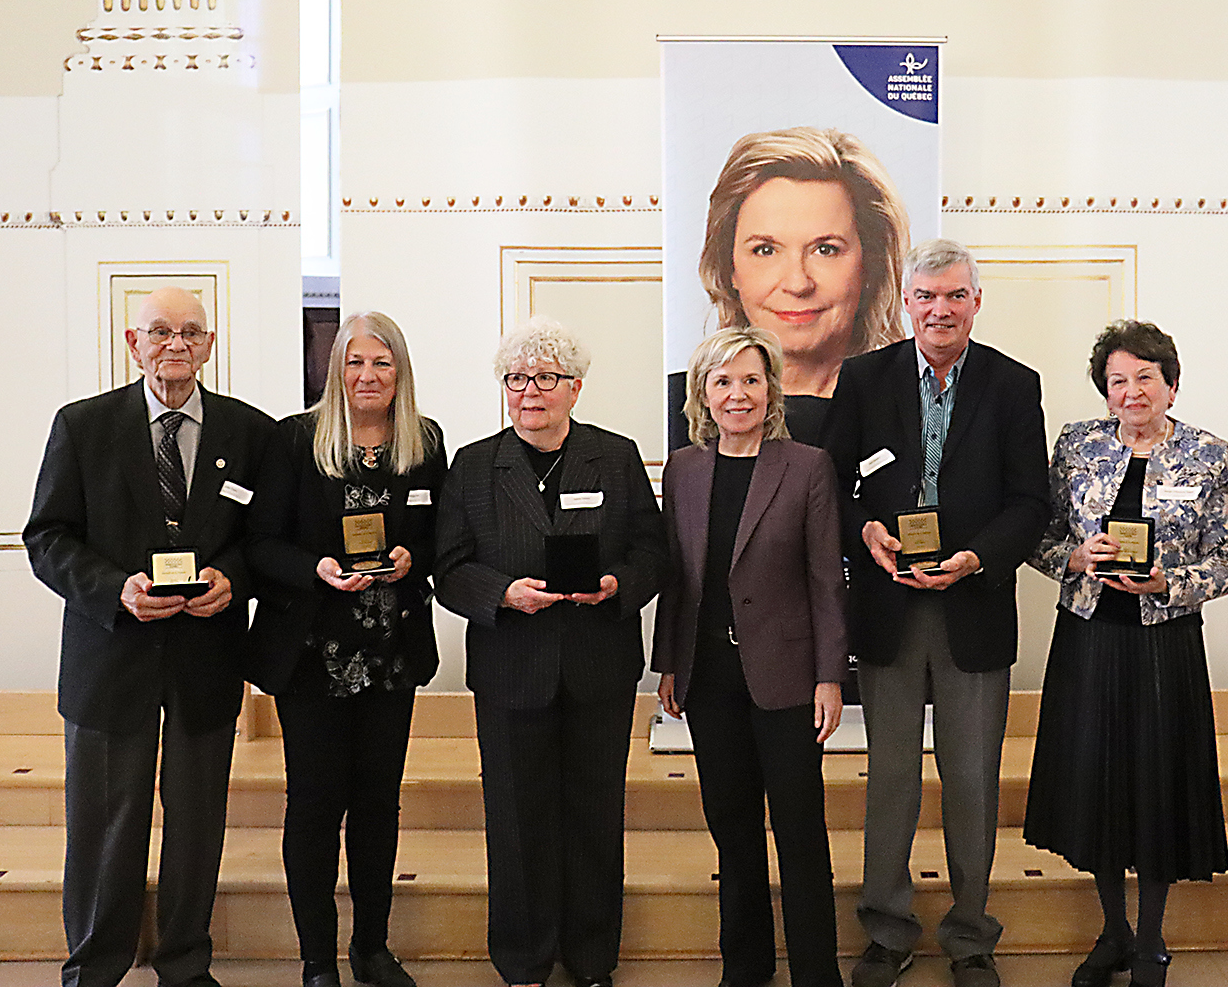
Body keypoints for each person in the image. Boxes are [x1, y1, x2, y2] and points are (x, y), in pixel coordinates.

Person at [24, 286, 274, 987]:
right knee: (106, 828)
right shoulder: (83, 426)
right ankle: (96, 967)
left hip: (206, 659)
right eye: (159, 331)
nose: (176, 344)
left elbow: (267, 540)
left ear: (210, 345)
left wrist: (234, 578)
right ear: (133, 344)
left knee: (196, 827)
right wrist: (117, 591)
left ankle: (186, 963)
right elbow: (47, 538)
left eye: (191, 332)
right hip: (110, 661)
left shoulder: (249, 433)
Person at [822, 238, 1051, 987]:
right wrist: (866, 531)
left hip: (972, 607)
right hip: (888, 605)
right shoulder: (862, 378)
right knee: (889, 779)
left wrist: (976, 558)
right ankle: (887, 931)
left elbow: (1030, 503)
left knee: (972, 781)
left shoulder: (1016, 385)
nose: (941, 309)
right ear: (907, 304)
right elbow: (835, 484)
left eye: (956, 295)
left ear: (976, 303)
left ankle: (970, 935)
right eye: (927, 296)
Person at [433, 316, 666, 987]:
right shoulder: (476, 466)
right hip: (512, 667)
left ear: (575, 388)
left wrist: (619, 584)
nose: (529, 391)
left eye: (545, 378)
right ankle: (524, 961)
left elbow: (653, 552)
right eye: (516, 378)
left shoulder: (615, 456)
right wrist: (505, 592)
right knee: (515, 818)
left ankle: (593, 959)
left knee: (596, 814)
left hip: (599, 664)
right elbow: (448, 568)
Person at [1024, 321, 1228, 987]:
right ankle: (1111, 932)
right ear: (1105, 391)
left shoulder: (1207, 455)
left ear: (1171, 383)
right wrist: (1074, 558)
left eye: (1145, 376)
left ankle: (1151, 941)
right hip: (1088, 636)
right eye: (1118, 379)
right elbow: (1040, 539)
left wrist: (1169, 581)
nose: (1132, 390)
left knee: (1156, 788)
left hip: (1163, 643)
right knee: (1096, 788)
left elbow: (1227, 560)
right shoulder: (1077, 446)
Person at [247, 312, 448, 987]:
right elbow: (260, 545)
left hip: (392, 655)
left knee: (378, 806)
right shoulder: (295, 439)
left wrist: (409, 555)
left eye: (382, 363)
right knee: (314, 804)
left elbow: (439, 534)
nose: (368, 375)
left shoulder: (424, 442)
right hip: (314, 657)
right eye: (356, 362)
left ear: (401, 372)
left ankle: (371, 948)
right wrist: (317, 570)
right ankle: (316, 961)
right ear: (337, 369)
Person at [654, 327, 849, 987]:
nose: (738, 394)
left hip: (788, 679)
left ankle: (816, 972)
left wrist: (830, 676)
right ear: (702, 395)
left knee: (799, 833)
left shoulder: (807, 466)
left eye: (751, 381)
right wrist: (668, 663)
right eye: (723, 382)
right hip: (709, 678)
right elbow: (677, 576)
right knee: (732, 831)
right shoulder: (683, 468)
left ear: (772, 392)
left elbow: (826, 579)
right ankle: (746, 966)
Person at [670, 126, 911, 449]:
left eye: (825, 249)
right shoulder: (678, 404)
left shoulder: (911, 407)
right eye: (765, 250)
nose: (798, 283)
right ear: (729, 268)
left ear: (871, 264)